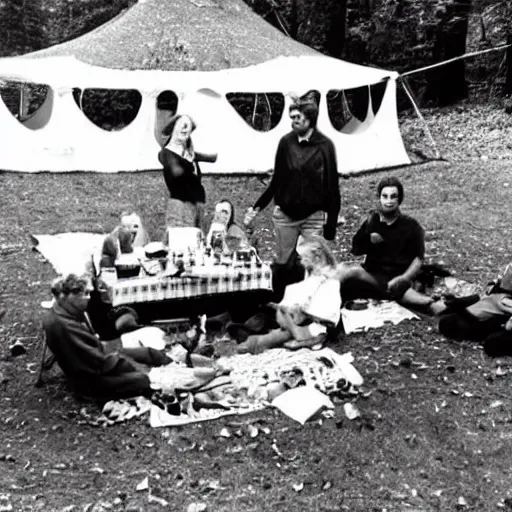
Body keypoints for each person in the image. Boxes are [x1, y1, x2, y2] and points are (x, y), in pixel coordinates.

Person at [43, 273, 171, 400]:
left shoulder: (66, 310)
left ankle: (176, 367)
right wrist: (132, 366)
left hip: (99, 356)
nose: (88, 298)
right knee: (144, 379)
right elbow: (97, 362)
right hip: (90, 380)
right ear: (69, 296)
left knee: (149, 353)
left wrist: (121, 357)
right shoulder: (64, 326)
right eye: (85, 294)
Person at [244, 98, 341, 265]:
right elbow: (276, 180)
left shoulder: (325, 146)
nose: (293, 122)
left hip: (313, 215)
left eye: (297, 117)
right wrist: (256, 208)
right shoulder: (286, 143)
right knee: (284, 263)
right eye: (292, 118)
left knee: (314, 264)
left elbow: (332, 186)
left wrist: (331, 223)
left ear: (310, 119)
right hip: (286, 215)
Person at [341, 176, 436, 311]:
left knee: (399, 290)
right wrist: (368, 239)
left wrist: (404, 278)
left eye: (393, 197)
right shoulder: (372, 221)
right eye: (385, 196)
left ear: (399, 199)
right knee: (346, 275)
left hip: (397, 276)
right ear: (379, 198)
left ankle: (419, 300)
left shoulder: (410, 225)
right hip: (373, 275)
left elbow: (418, 258)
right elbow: (356, 249)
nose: (389, 201)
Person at [236, 235, 343, 354]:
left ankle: (302, 337)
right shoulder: (313, 272)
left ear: (316, 258)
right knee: (277, 312)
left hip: (316, 325)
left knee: (280, 323)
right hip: (303, 320)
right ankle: (263, 336)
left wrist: (297, 310)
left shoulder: (329, 279)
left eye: (304, 258)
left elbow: (325, 313)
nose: (302, 261)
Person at [158, 114, 217, 231]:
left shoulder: (190, 154)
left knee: (197, 240)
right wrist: (189, 159)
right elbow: (177, 172)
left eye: (188, 126)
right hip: (181, 205)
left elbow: (214, 157)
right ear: (173, 128)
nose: (185, 127)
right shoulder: (166, 153)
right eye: (181, 124)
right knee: (182, 240)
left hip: (198, 203)